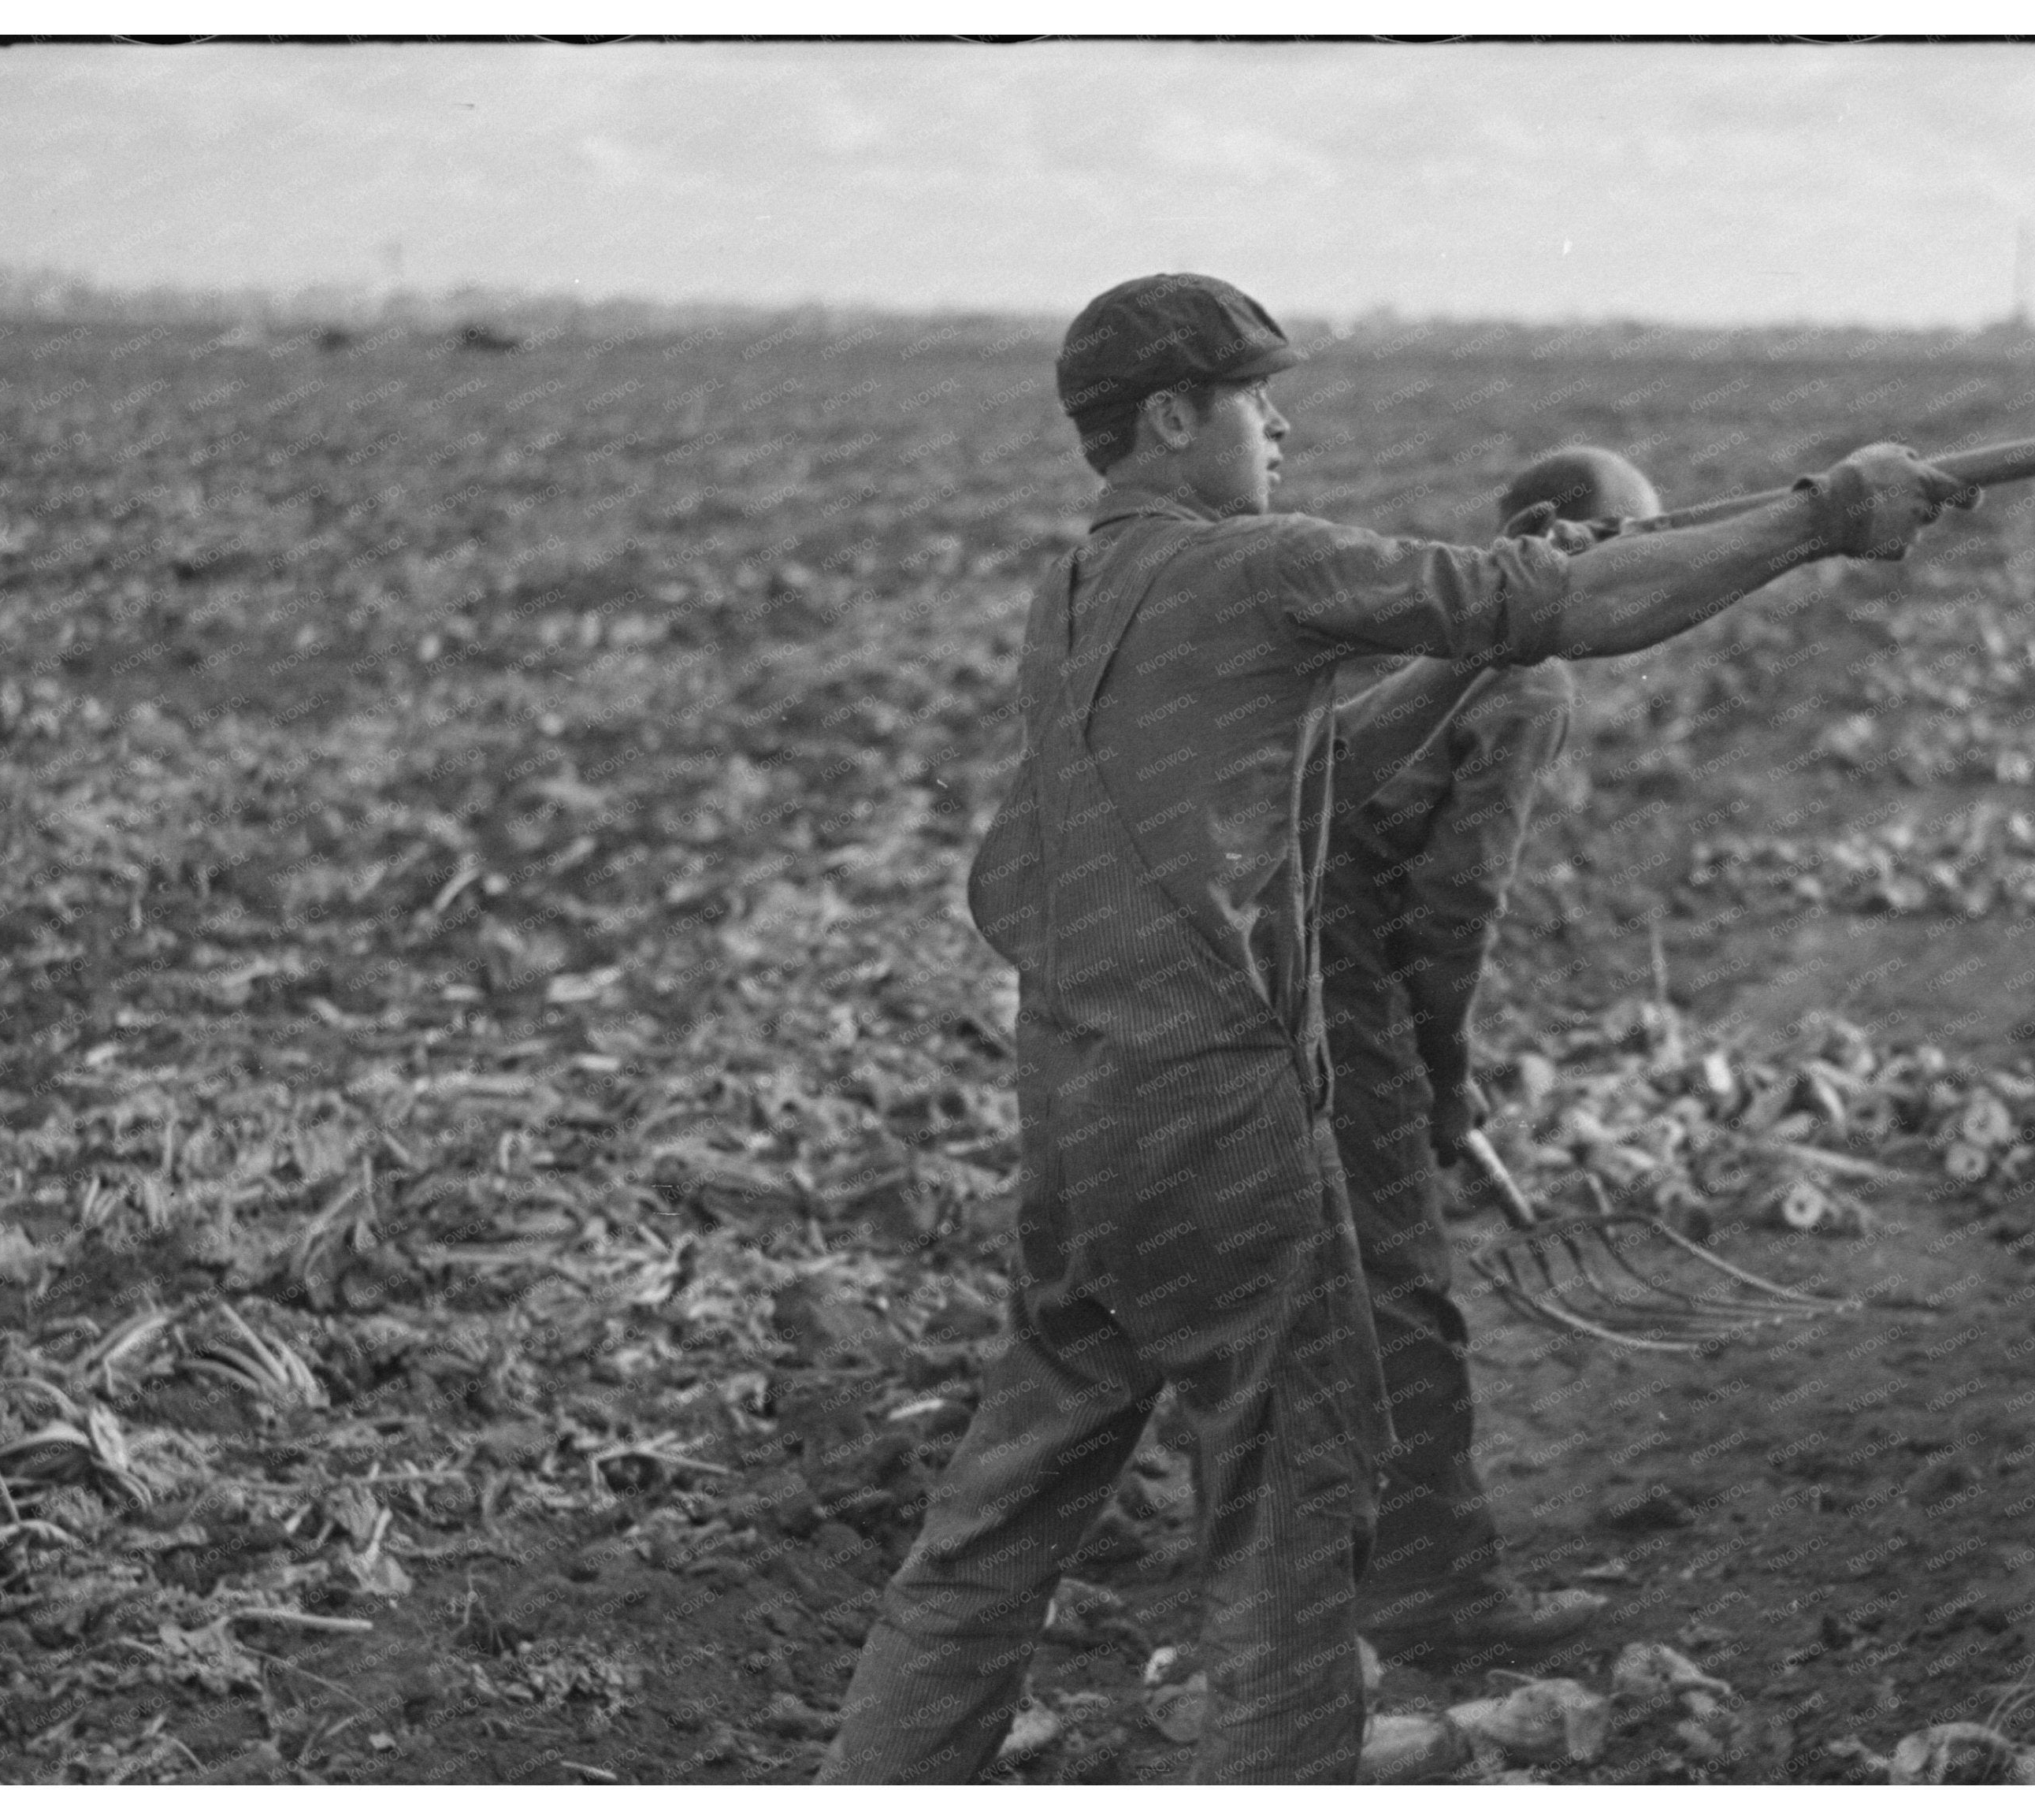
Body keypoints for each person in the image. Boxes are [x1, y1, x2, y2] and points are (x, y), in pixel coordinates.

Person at [818, 274, 1974, 1785]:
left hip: (1080, 1120)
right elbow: (1571, 607)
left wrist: (1463, 655)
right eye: (1254, 400)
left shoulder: (1086, 592)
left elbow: (1326, 774)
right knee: (1293, 1506)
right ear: (1172, 420)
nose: (1281, 427)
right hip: (1217, 1130)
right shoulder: (1253, 571)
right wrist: (1824, 515)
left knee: (1003, 1509)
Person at [1321, 450, 1662, 1662]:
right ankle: (1439, 1592)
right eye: (1639, 542)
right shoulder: (1530, 684)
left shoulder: (1409, 626)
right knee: (1403, 1278)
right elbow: (1455, 903)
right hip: (1332, 952)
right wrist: (1442, 1082)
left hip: (1215, 926)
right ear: (1570, 541)